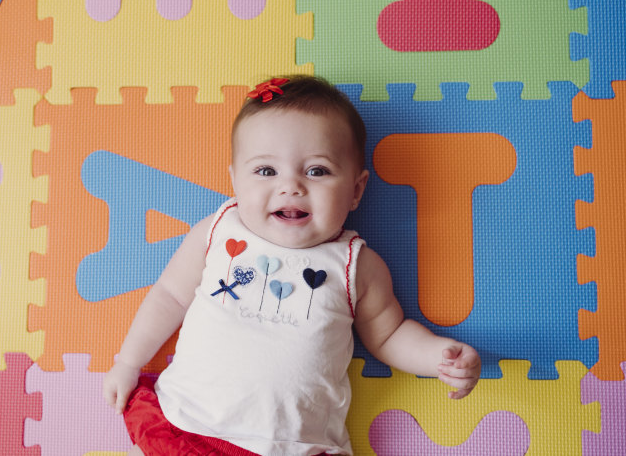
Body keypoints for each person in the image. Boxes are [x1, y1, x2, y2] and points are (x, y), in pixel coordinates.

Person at [103, 75, 481, 455]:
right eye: (266, 171)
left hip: (295, 446)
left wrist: (439, 357)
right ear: (235, 179)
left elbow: (389, 335)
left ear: (356, 190)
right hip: (187, 424)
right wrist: (128, 361)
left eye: (317, 171)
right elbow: (169, 295)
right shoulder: (219, 230)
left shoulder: (356, 266)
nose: (291, 186)